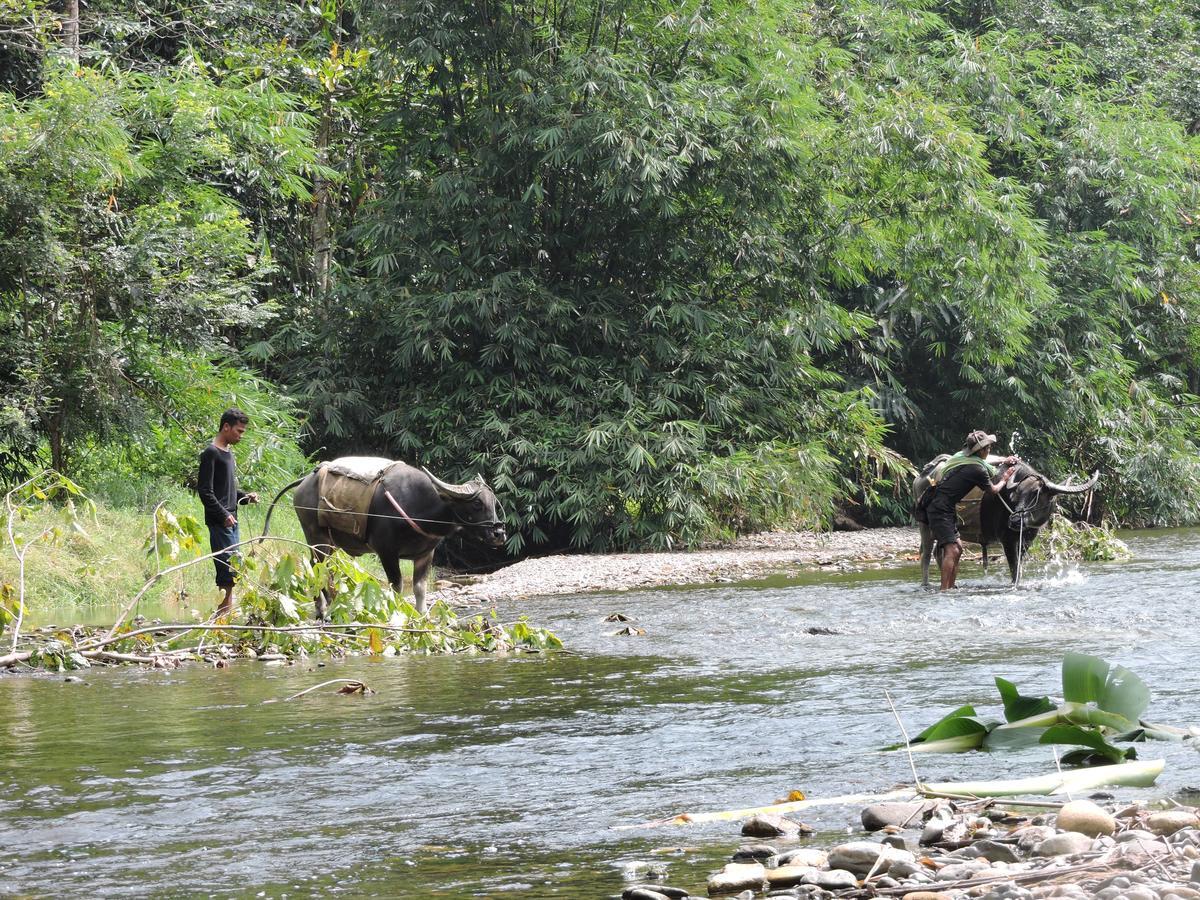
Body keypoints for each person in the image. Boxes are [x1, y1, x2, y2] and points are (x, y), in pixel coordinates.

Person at [925, 430, 1016, 590]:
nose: (989, 450)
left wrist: (1004, 460)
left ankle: (951, 587)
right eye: (988, 447)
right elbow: (993, 490)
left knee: (958, 549)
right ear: (981, 451)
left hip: (944, 508)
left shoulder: (962, 458)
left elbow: (989, 463)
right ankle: (944, 591)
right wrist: (1005, 478)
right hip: (940, 509)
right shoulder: (977, 469)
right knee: (952, 550)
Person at [197, 408, 259, 617]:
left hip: (232, 519)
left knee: (234, 569)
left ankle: (225, 615)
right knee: (227, 570)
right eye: (239, 431)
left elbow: (227, 491)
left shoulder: (228, 453)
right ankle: (222, 617)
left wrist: (245, 496)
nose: (240, 435)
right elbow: (205, 491)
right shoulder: (211, 453)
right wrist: (223, 515)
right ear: (226, 427)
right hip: (221, 522)